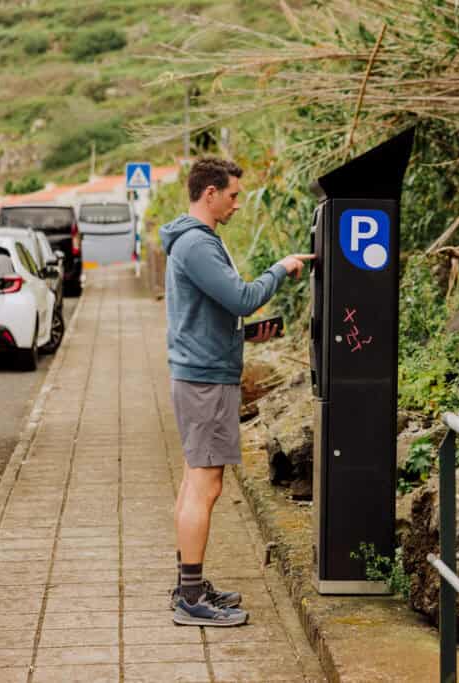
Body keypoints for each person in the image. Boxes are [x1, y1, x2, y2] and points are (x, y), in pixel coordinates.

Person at [159, 157, 313, 627]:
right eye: (233, 195)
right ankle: (189, 598)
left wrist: (242, 336)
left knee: (195, 481)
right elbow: (244, 297)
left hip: (202, 372)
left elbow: (209, 313)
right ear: (209, 193)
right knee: (205, 486)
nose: (237, 204)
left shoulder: (195, 242)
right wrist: (281, 268)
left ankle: (189, 584)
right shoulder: (197, 245)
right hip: (205, 380)